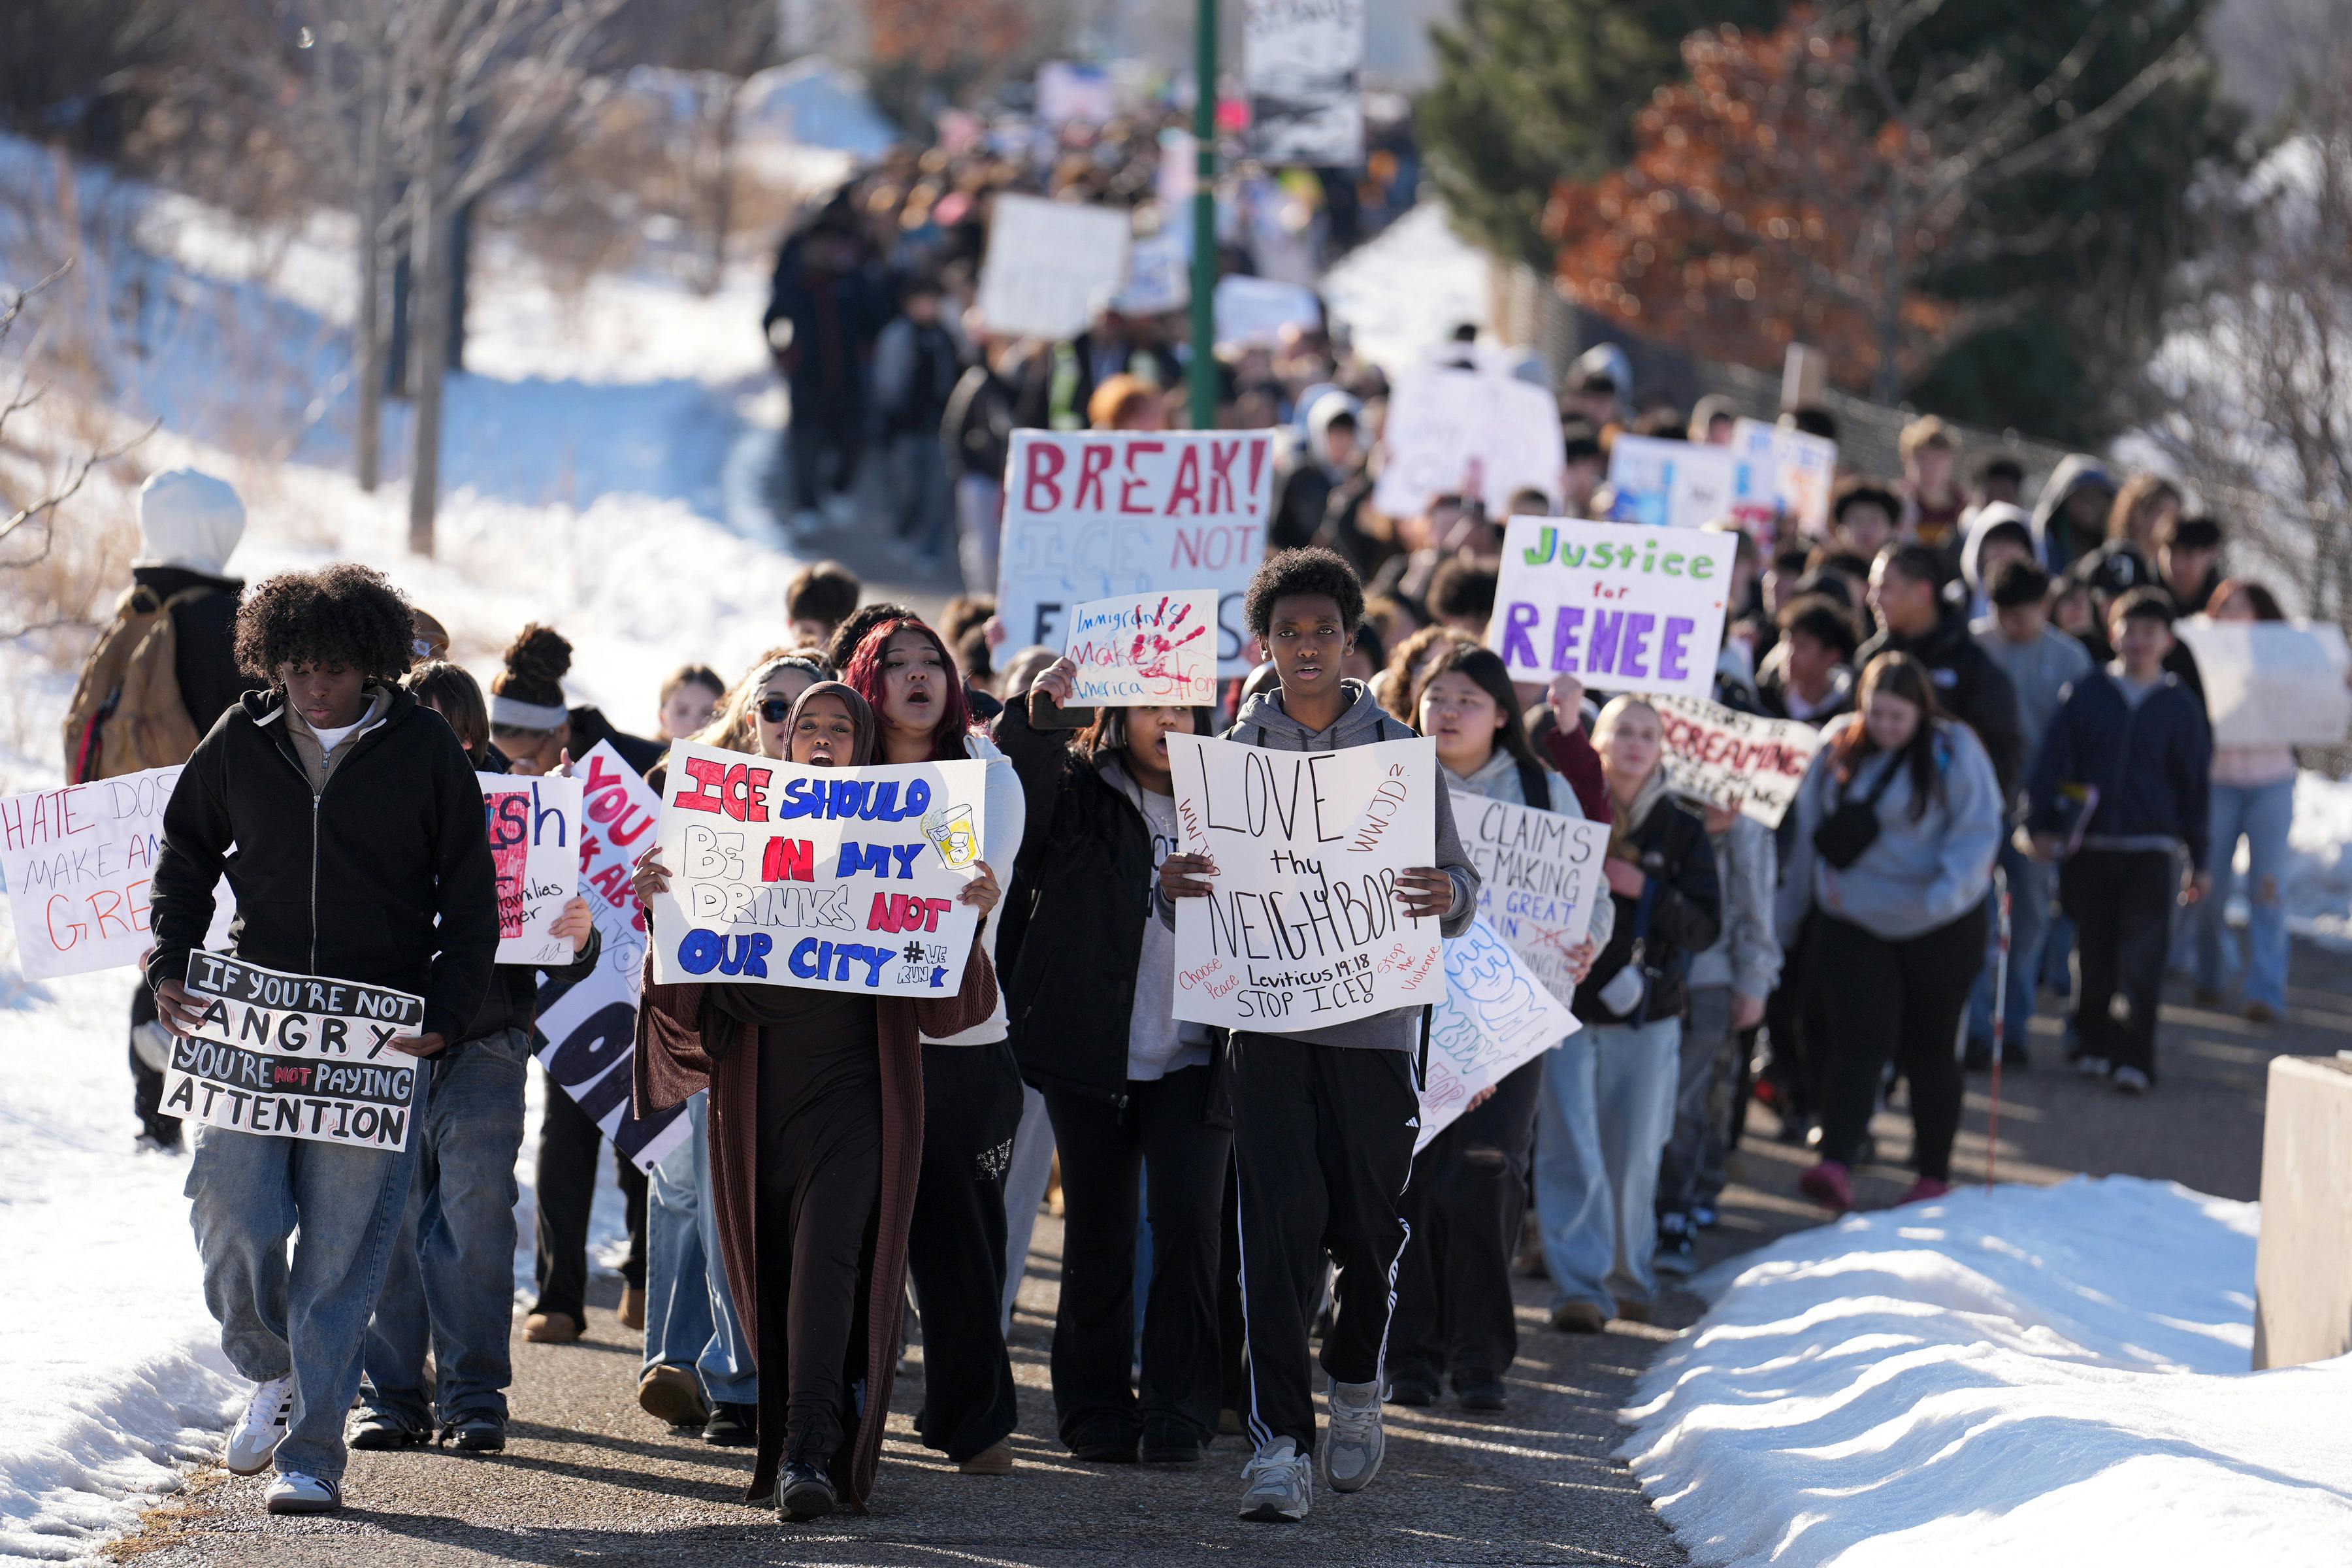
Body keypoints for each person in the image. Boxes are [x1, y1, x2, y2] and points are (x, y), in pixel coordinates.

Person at [145, 564, 498, 1516]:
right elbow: (183, 851)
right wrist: (170, 956)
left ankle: (312, 1456)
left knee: (343, 1254)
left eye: (332, 669)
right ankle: (272, 1366)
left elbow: (472, 902)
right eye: (293, 667)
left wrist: (446, 1009)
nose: (310, 687)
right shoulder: (240, 736)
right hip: (252, 1020)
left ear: (374, 665)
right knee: (229, 1207)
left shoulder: (427, 749)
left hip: (376, 1038)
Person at [1156, 547, 1479, 1524]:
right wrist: (1167, 889)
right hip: (1266, 1027)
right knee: (1276, 1238)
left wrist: (1445, 895)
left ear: (1351, 642)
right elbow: (1190, 895)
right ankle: (1279, 1450)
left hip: (1376, 1030)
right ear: (1265, 642)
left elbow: (1459, 888)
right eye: (1288, 632)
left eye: (1324, 632)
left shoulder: (1398, 754)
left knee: (1368, 1235)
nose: (1306, 647)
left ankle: (1355, 1371)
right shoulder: (1227, 757)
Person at [630, 682, 1002, 1521]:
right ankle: (810, 1427)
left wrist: (965, 920)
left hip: (860, 1100)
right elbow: (682, 1003)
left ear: (864, 750)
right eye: (810, 729)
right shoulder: (731, 835)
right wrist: (666, 911)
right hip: (759, 1103)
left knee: (830, 1261)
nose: (825, 741)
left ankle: (809, 1449)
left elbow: (950, 1013)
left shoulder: (903, 835)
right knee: (775, 1274)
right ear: (786, 746)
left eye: (842, 728)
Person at [354, 661, 600, 1454]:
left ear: (470, 738)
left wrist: (579, 935)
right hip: (385, 1038)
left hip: (488, 1036)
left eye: (448, 736)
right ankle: (394, 1395)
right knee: (386, 1217)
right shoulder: (360, 797)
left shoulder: (524, 814)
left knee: (473, 1211)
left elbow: (562, 952)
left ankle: (472, 1396)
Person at [992, 657, 1225, 1463]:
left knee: (1191, 1231)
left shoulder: (1235, 804)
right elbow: (1012, 794)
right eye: (1153, 706)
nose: (1170, 723)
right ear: (1120, 715)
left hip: (1198, 1055)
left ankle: (1178, 1410)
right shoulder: (1080, 791)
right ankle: (1093, 1409)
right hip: (1093, 1050)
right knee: (1100, 1233)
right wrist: (1041, 714)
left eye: (1185, 708)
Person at [1394, 644, 1607, 1408]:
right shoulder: (1389, 781)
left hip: (1506, 1025)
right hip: (1402, 1017)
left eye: (1468, 700)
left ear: (1502, 716)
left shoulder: (1543, 792)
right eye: (1437, 696)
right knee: (1408, 1183)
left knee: (1485, 1175)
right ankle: (1408, 1353)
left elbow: (1594, 899)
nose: (1449, 712)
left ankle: (1480, 1357)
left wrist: (1588, 943)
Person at [841, 617, 1029, 1477]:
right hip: (847, 1039)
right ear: (863, 682)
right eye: (895, 665)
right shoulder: (836, 768)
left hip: (953, 1040)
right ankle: (833, 1417)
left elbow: (967, 879)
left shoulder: (983, 773)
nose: (918, 678)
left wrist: (971, 884)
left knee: (959, 1241)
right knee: (844, 1233)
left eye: (933, 663)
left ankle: (976, 1420)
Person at [636, 656, 827, 1446]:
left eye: (812, 711)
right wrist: (659, 899)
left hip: (821, 1040)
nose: (789, 723)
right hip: (728, 1028)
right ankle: (733, 1381)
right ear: (748, 718)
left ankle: (795, 1375)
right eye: (775, 706)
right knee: (710, 1200)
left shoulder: (871, 806)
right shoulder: (705, 802)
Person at [68, 468, 253, 1152]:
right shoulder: (230, 622)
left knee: (157, 949)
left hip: (126, 830)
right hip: (215, 829)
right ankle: (207, 1106)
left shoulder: (134, 611)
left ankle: (155, 1115)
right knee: (209, 952)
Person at [1777, 654, 2002, 1213]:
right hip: (1853, 915)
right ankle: (1836, 1158)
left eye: (1899, 716)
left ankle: (1932, 1173)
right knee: (1856, 1038)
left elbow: (1978, 831)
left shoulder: (1955, 750)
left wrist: (1945, 895)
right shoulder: (1836, 747)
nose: (1887, 727)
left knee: (1930, 1045)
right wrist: (1792, 913)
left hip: (1940, 920)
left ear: (1922, 711)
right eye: (1877, 714)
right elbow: (1808, 832)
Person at [487, 624, 659, 1340]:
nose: (513, 763)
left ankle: (645, 1279)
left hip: (639, 974)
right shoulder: (492, 774)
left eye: (525, 751)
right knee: (565, 1132)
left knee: (640, 1128)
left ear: (558, 731)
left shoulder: (636, 765)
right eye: (504, 751)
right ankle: (558, 1295)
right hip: (555, 978)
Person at [1535, 698, 1720, 1330]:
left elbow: (1705, 927)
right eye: (1623, 732)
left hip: (1650, 1015)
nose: (1637, 744)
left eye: (1649, 734)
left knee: (1635, 1153)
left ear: (1663, 749)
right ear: (1599, 742)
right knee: (1568, 1150)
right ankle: (1579, 1289)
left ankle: (1627, 1275)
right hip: (1566, 1008)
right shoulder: (1566, 809)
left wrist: (1646, 891)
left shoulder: (1683, 829)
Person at [2029, 590, 2212, 1092]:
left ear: (2168, 641)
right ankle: (2092, 1041)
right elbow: (2053, 759)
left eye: (2151, 633)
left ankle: (2136, 1057)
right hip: (2091, 846)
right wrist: (2040, 823)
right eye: (2130, 630)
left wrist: (2201, 858)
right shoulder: (2088, 692)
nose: (2139, 642)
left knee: (2145, 956)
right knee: (2092, 951)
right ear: (2113, 634)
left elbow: (2195, 787)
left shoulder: (2179, 706)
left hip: (2152, 849)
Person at [1965, 558, 2092, 1069]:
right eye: (2006, 615)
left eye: (2026, 614)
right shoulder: (1976, 648)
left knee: (2032, 917)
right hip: (1978, 800)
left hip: (2036, 807)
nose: (2016, 625)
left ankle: (2013, 1028)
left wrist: (2060, 815)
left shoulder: (2070, 659)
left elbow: (2080, 747)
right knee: (1975, 914)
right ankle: (1976, 1028)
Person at [1654, 797, 1778, 1275]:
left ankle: (1676, 1210)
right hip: (1645, 975)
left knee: (1690, 1098)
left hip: (1709, 980)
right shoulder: (1650, 801)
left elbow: (1756, 908)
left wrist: (1753, 982)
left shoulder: (1746, 827)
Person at [2193, 578, 2295, 1023]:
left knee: (2268, 889)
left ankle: (2266, 993)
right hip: (2218, 783)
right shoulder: (2196, 652)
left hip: (2273, 782)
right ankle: (2212, 975)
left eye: (2241, 607)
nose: (2230, 615)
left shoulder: (2290, 656)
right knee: (2207, 887)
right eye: (2223, 607)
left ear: (2263, 615)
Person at [1859, 544, 2026, 794]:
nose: (1873, 599)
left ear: (1923, 593)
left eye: (1885, 587)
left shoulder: (1974, 667)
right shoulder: (1870, 660)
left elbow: (2003, 759)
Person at [766, 211, 884, 537]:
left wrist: (866, 350)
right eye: (818, 247)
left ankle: (839, 490)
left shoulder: (853, 283)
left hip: (847, 379)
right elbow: (771, 319)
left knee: (853, 441)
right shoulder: (795, 285)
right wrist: (784, 354)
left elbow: (874, 322)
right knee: (805, 444)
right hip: (807, 380)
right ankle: (806, 504)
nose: (824, 253)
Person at [870, 276, 963, 559]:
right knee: (906, 485)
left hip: (940, 425)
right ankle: (904, 532)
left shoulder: (946, 336)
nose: (929, 308)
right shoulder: (897, 335)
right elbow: (886, 382)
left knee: (937, 490)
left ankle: (930, 546)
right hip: (905, 427)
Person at [941, 335, 1021, 595]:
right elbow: (954, 429)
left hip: (1011, 480)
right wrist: (964, 470)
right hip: (980, 478)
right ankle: (980, 596)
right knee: (980, 543)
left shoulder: (1020, 386)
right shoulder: (976, 382)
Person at [1270, 395, 1364, 552]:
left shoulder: (1359, 478)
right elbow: (1278, 530)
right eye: (1335, 433)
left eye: (1348, 434)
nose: (1342, 442)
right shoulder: (1299, 476)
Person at [1754, 595, 1859, 725]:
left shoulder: (1847, 714)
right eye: (1786, 642)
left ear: (1831, 656)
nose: (1789, 654)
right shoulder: (1761, 699)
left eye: (1801, 646)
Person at [2029, 454, 2115, 577]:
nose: (2090, 504)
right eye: (2082, 495)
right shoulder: (2041, 544)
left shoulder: (2112, 550)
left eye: (2097, 497)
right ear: (2064, 499)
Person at [1898, 416, 1966, 556]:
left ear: (1950, 462)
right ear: (1906, 461)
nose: (1929, 468)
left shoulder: (1964, 509)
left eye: (1937, 460)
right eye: (1922, 459)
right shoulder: (1896, 504)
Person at [785, 561, 862, 651]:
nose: (822, 643)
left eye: (833, 631)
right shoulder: (779, 665)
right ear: (790, 625)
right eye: (809, 632)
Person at [2160, 515, 2225, 617]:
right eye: (2173, 553)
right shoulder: (2144, 598)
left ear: (2211, 554)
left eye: (2188, 554)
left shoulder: (2226, 607)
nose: (2178, 565)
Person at [1829, 478, 1901, 563]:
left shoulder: (1905, 570)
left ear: (1891, 527)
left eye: (1874, 520)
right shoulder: (1828, 568)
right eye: (1857, 520)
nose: (1865, 528)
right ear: (1841, 527)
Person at [657, 664, 725, 741]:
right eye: (682, 712)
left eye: (708, 713)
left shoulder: (736, 751)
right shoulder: (642, 751)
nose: (693, 723)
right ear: (662, 718)